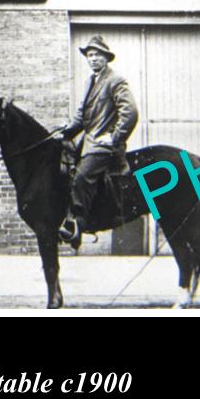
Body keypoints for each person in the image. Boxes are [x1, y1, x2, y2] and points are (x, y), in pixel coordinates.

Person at [53, 36, 139, 249]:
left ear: (106, 58)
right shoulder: (90, 81)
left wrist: (114, 137)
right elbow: (82, 115)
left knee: (82, 176)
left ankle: (76, 223)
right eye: (90, 55)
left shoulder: (115, 80)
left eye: (97, 55)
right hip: (88, 140)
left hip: (104, 145)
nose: (92, 59)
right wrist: (67, 130)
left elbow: (130, 113)